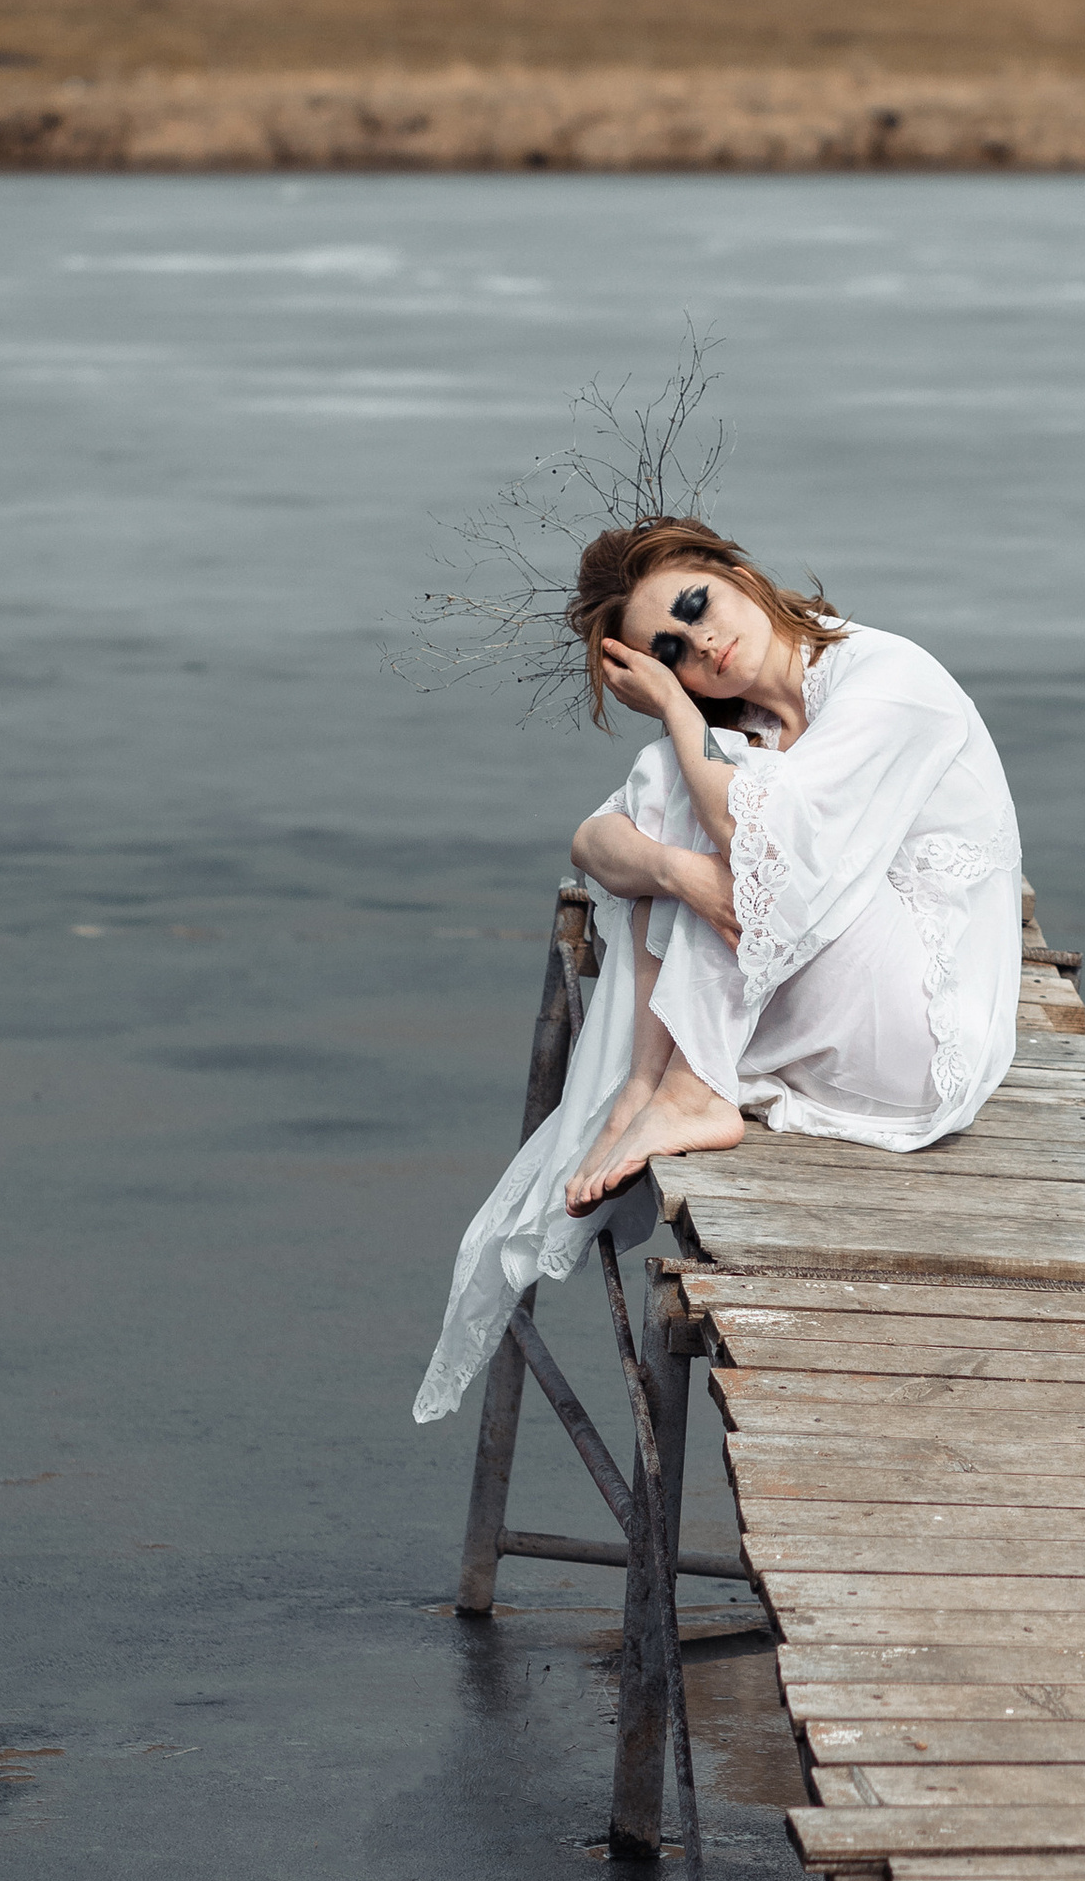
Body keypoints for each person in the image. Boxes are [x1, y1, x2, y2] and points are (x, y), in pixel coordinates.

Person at [413, 520, 1022, 1425]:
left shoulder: (890, 681)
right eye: (672, 652)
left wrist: (675, 708)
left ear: (739, 574)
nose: (702, 645)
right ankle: (653, 1085)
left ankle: (686, 1088)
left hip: (921, 1041)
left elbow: (755, 840)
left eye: (697, 609)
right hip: (850, 1012)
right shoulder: (759, 722)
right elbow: (594, 842)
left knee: (718, 796)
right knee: (684, 787)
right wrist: (677, 872)